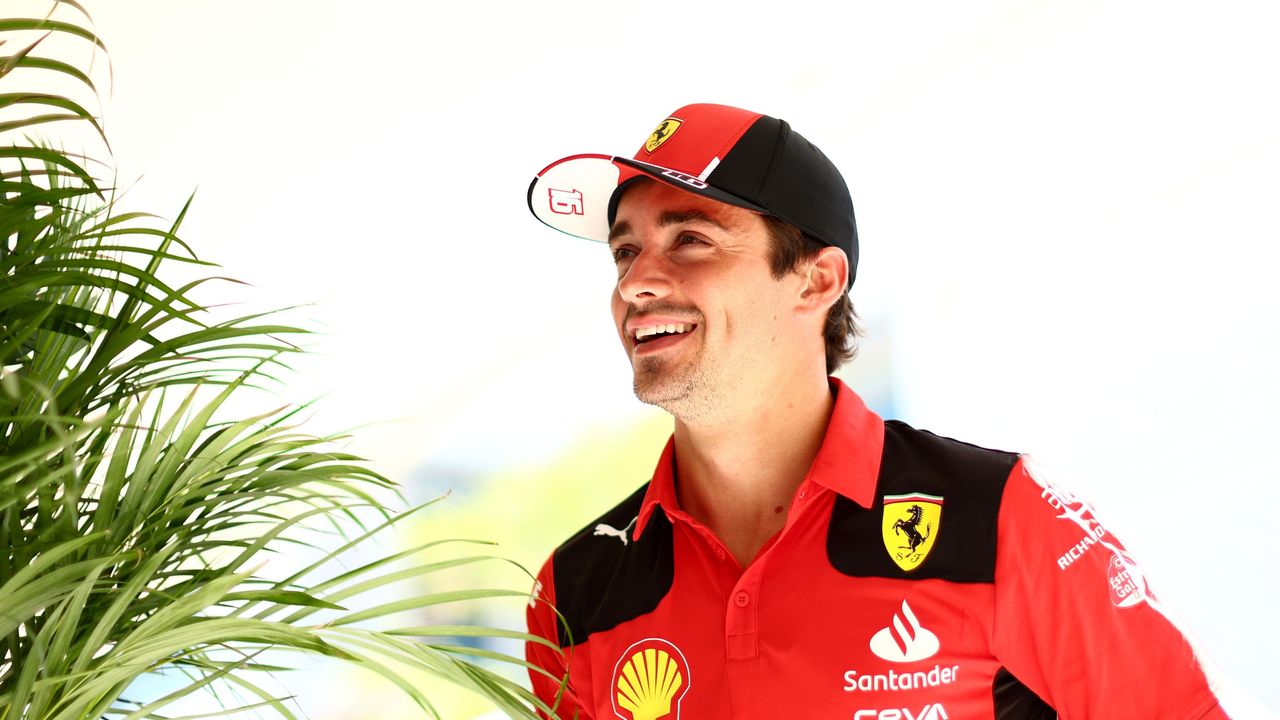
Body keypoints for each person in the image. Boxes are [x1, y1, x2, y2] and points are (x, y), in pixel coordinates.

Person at [522, 103, 1225, 719]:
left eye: (691, 241)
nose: (637, 282)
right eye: (624, 251)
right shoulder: (574, 594)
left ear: (815, 279)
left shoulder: (1002, 516)